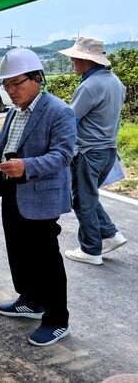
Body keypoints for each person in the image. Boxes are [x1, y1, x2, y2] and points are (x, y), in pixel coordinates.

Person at [0, 48, 75, 346]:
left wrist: (27, 166)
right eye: (6, 85)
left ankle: (58, 319)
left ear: (38, 78)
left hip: (40, 195)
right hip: (12, 190)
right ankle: (31, 300)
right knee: (18, 250)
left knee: (46, 258)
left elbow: (63, 154)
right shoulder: (14, 111)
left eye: (17, 83)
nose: (10, 90)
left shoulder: (59, 111)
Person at [58, 37, 127, 265]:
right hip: (107, 150)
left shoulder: (89, 86)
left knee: (82, 201)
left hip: (89, 151)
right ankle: (110, 234)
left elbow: (70, 119)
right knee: (89, 195)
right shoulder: (115, 82)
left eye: (75, 59)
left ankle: (90, 250)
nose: (72, 63)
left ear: (87, 61)